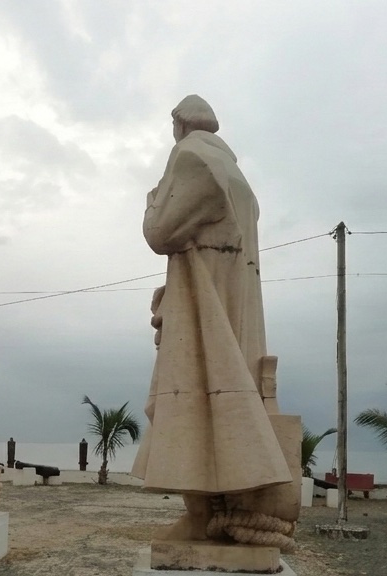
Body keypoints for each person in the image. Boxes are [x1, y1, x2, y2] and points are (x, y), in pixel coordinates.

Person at [132, 95, 295, 546]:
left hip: (205, 302)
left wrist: (150, 201)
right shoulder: (238, 177)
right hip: (233, 299)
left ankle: (201, 514)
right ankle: (216, 511)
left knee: (198, 399)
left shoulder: (192, 158)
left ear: (179, 124)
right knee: (224, 402)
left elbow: (159, 233)